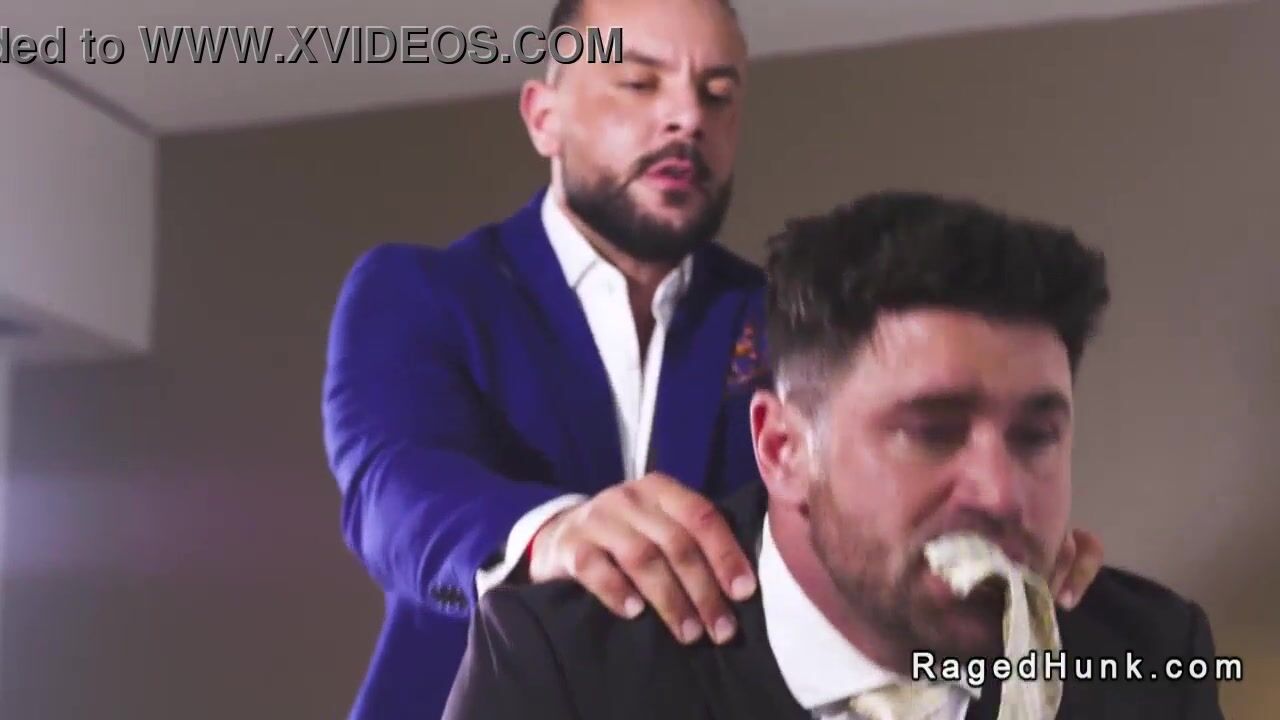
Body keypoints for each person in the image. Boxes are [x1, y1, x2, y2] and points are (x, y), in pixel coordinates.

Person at [321, 0, 1103, 717]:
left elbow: (844, 516)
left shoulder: (787, 322)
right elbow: (390, 489)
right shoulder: (419, 289)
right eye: (638, 83)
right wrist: (550, 533)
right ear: (543, 116)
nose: (688, 117)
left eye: (719, 94)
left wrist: (987, 539)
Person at [441, 190, 1226, 720]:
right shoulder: (565, 665)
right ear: (781, 448)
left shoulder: (1152, 658)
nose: (999, 493)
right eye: (932, 431)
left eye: (1035, 436)